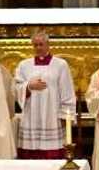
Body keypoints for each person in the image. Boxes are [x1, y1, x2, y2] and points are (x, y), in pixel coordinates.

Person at [14, 31, 75, 160]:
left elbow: (67, 90)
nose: (38, 48)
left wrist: (66, 114)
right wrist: (29, 86)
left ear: (48, 45)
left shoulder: (60, 65)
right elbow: (16, 88)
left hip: (51, 115)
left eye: (41, 44)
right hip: (31, 115)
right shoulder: (24, 65)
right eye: (35, 45)